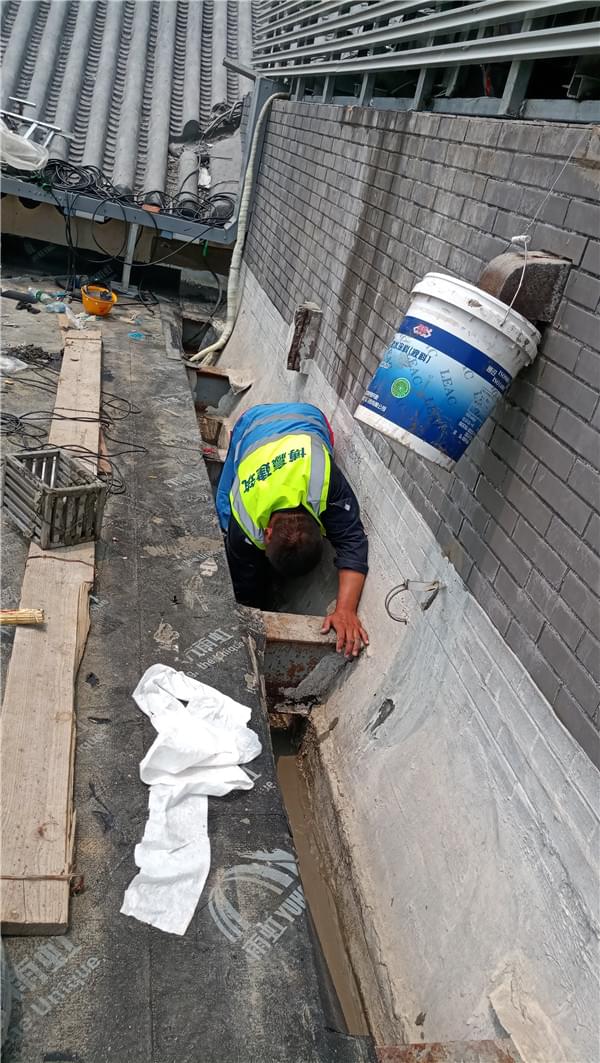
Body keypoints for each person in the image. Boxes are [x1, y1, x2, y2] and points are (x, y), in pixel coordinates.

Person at [216, 402, 369, 658]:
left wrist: (346, 609)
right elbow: (243, 573)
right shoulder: (242, 514)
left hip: (310, 417)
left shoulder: (326, 481)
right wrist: (246, 605)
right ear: (265, 535)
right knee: (224, 507)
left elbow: (353, 540)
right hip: (251, 424)